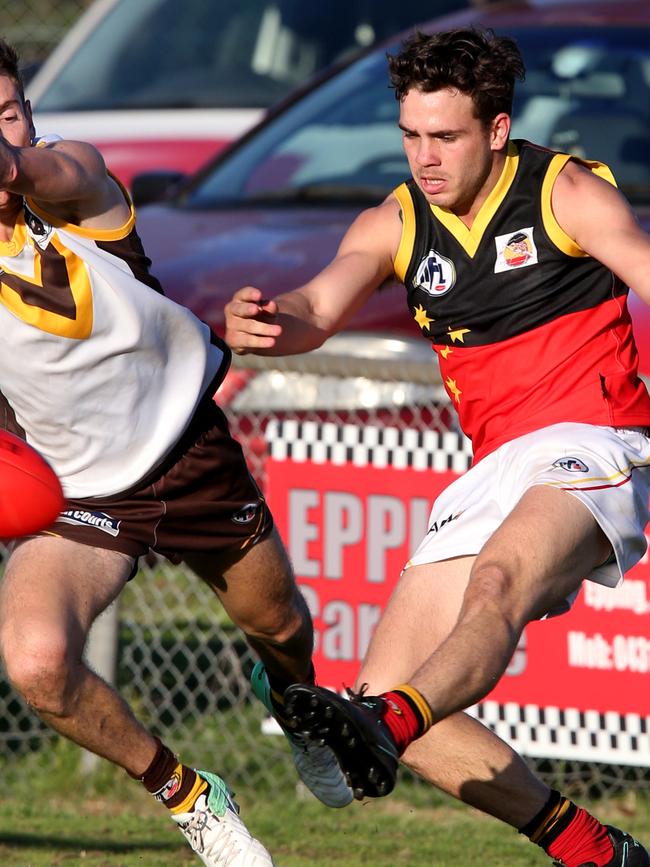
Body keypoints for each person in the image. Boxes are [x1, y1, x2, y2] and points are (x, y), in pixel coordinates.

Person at [224, 27, 650, 867]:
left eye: (446, 136)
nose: (425, 156)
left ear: (495, 130)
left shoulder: (564, 193)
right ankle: (594, 849)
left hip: (593, 440)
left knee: (495, 587)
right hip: (493, 465)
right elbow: (320, 300)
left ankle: (383, 726)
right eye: (411, 135)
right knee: (394, 702)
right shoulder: (395, 220)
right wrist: (273, 324)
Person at [0, 39, 354, 867]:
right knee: (38, 661)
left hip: (187, 452)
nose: (6, 132)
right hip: (77, 493)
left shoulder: (74, 180)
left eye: (8, 112)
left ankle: (296, 702)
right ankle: (194, 798)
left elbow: (25, 173)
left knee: (282, 628)